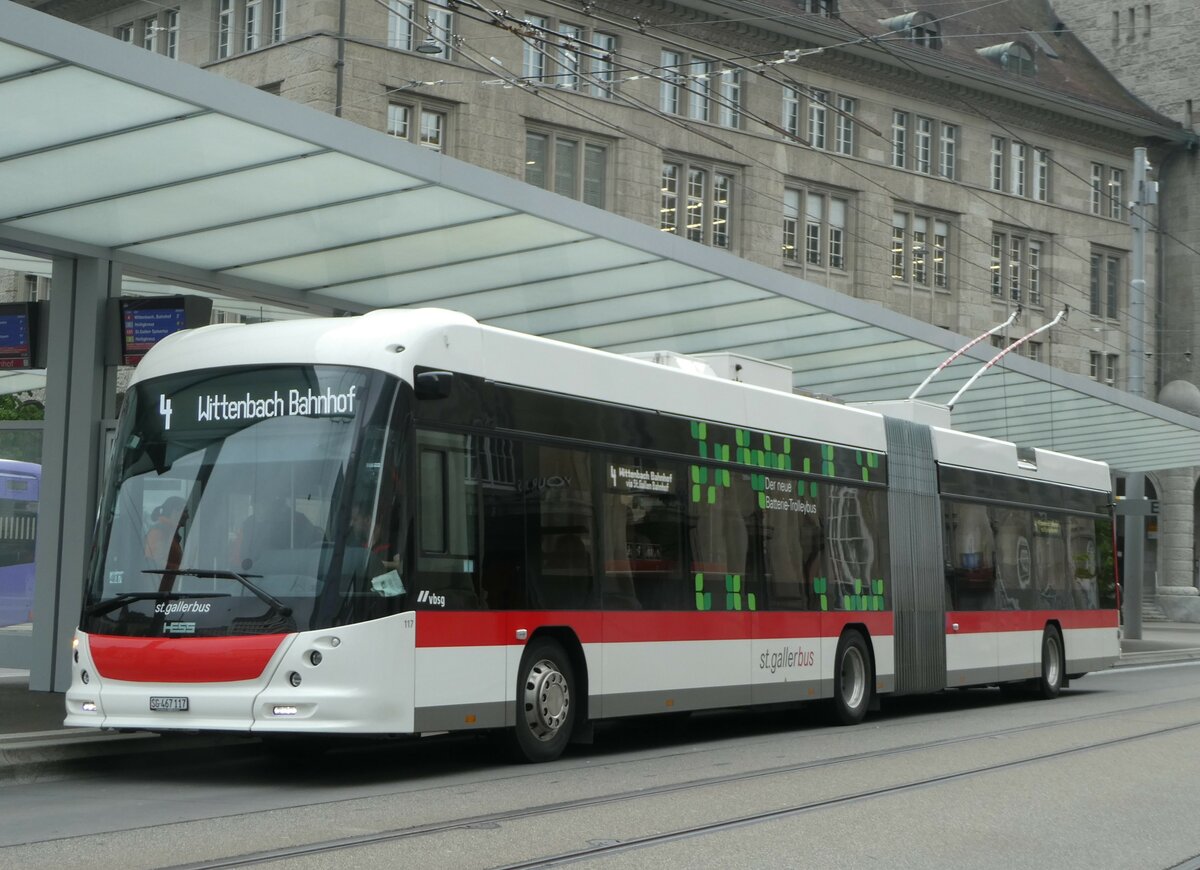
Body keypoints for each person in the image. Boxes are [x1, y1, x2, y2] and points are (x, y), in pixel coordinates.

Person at [144, 496, 186, 567]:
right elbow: (157, 563)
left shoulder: (169, 531)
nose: (188, 516)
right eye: (185, 512)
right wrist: (182, 569)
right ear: (174, 511)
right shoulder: (158, 533)